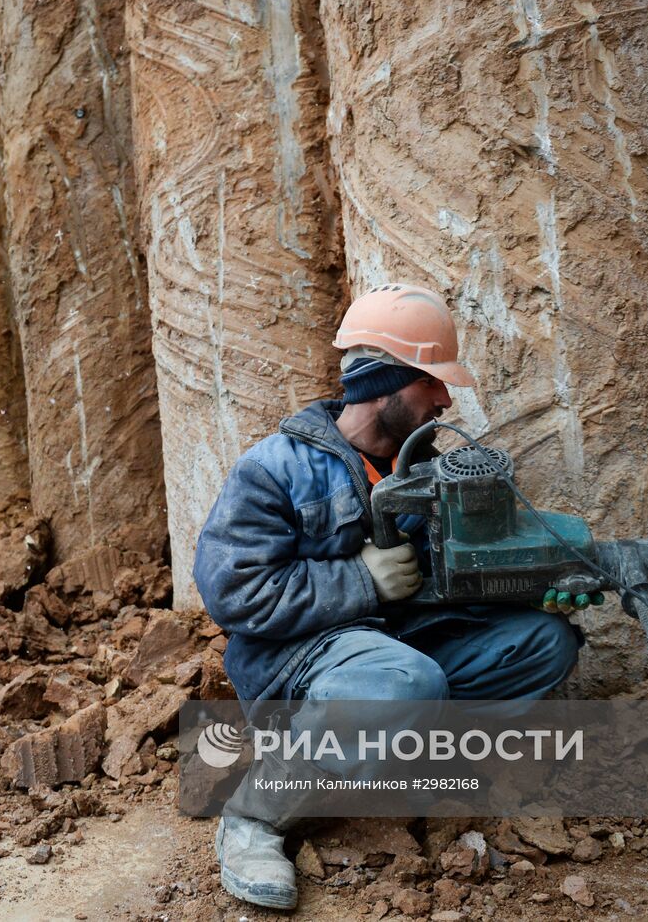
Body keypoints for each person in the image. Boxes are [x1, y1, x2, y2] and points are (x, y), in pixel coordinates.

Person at [193, 283, 582, 909]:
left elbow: (449, 585)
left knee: (542, 645)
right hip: (301, 666)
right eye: (433, 382)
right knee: (403, 684)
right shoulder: (274, 468)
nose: (446, 398)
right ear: (388, 382)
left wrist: (535, 586)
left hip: (400, 651)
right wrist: (360, 580)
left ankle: (393, 762)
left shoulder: (428, 472)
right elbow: (234, 594)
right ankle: (254, 816)